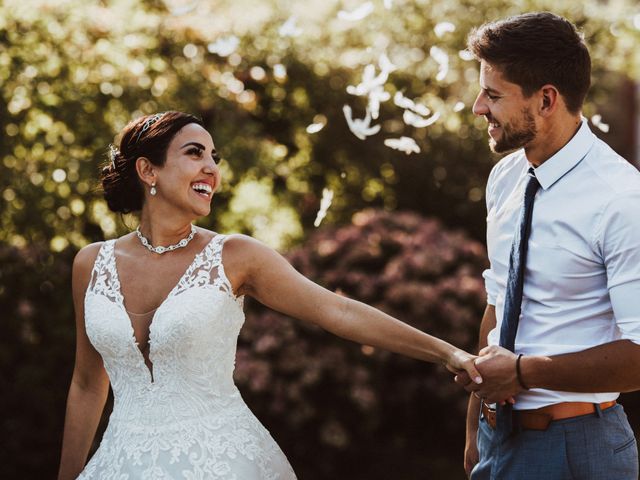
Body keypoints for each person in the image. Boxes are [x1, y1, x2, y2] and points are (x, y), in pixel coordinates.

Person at [57, 111, 482, 479]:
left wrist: (448, 354)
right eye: (194, 153)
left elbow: (336, 310)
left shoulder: (236, 256)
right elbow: (86, 382)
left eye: (214, 157)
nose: (211, 168)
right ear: (148, 171)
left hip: (222, 463)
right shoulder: (91, 264)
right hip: (119, 463)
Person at [455, 12, 640, 480]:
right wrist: (477, 428)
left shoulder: (621, 200)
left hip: (577, 450)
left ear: (546, 100)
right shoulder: (506, 177)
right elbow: (499, 303)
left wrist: (522, 373)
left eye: (493, 95)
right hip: (499, 438)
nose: (478, 107)